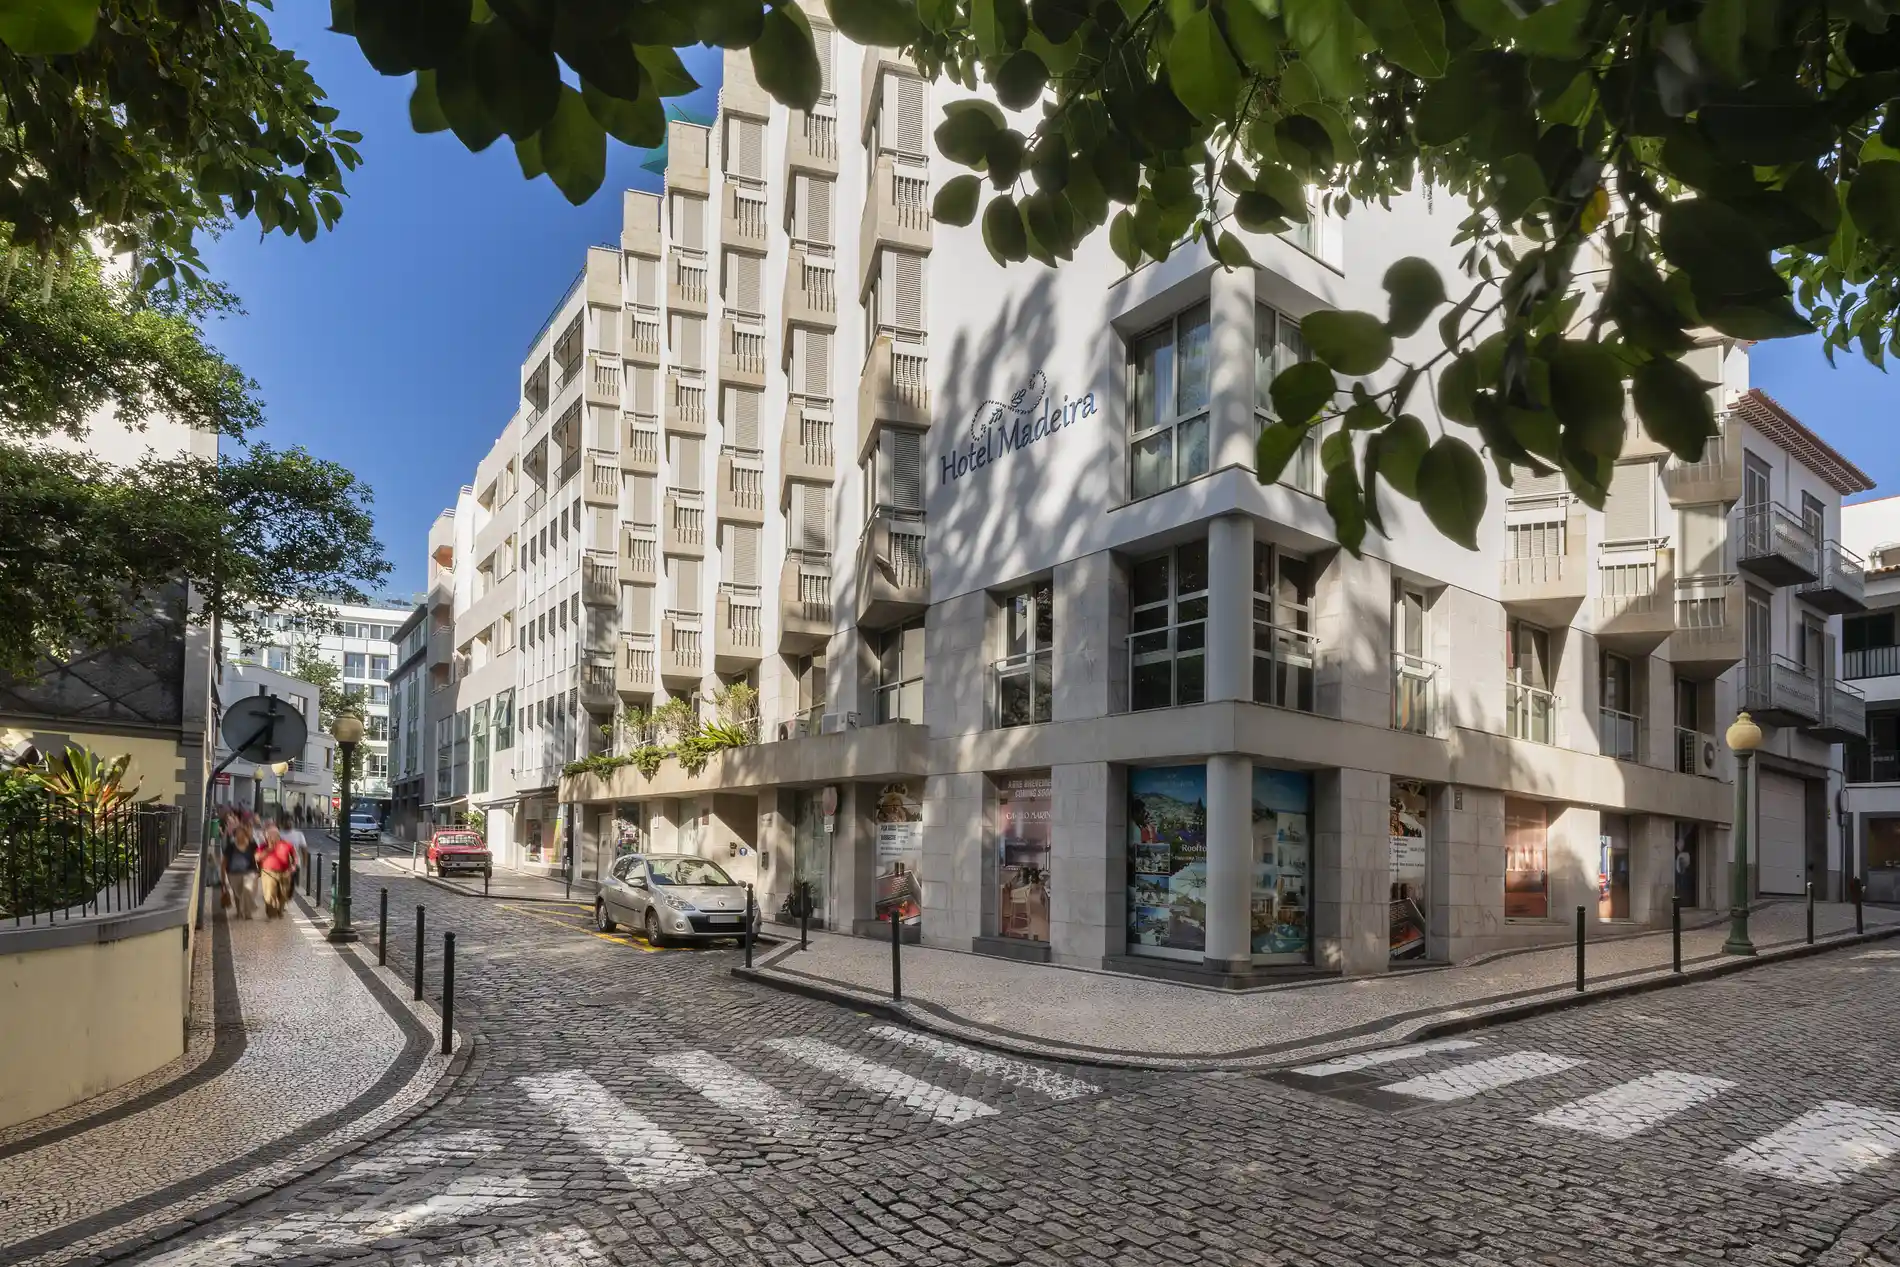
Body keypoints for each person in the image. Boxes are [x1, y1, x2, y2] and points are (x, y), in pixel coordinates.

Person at [257, 823, 297, 918]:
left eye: (274, 834)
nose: (272, 837)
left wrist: (292, 867)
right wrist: (269, 849)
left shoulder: (287, 844)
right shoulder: (263, 846)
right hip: (268, 873)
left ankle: (280, 910)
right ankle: (271, 914)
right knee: (269, 895)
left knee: (283, 894)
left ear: (278, 835)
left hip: (285, 873)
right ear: (266, 836)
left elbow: (294, 858)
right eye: (270, 835)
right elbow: (257, 858)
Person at [222, 815, 258, 920]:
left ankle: (248, 912)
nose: (239, 835)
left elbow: (258, 857)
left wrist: (260, 870)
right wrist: (223, 878)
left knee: (247, 889)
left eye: (241, 832)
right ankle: (239, 912)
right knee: (237, 894)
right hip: (233, 873)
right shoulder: (231, 846)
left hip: (249, 872)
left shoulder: (252, 845)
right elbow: (224, 862)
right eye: (237, 833)